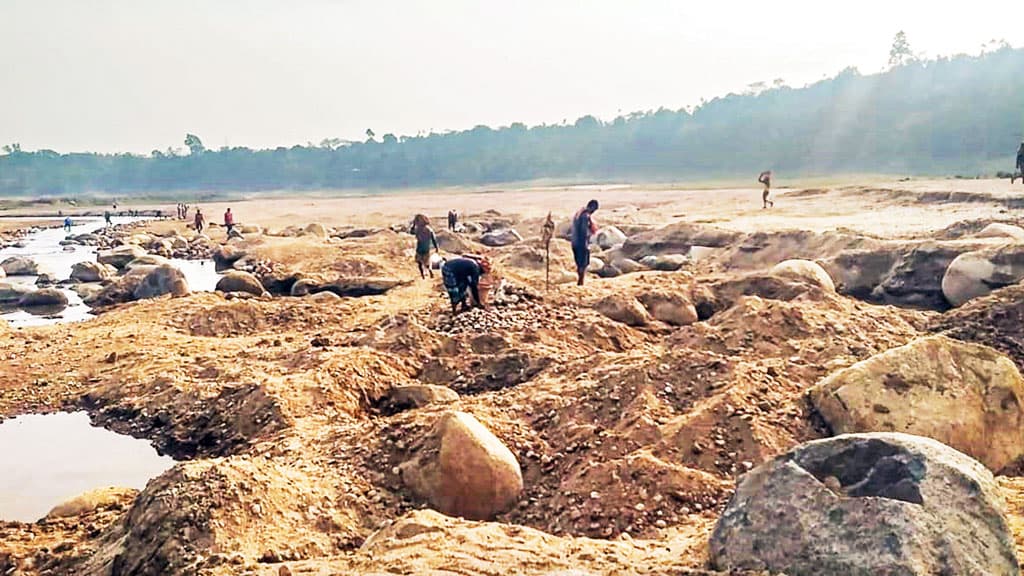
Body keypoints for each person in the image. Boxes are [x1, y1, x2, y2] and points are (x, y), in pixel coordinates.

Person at [571, 199, 599, 286]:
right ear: (593, 208)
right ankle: (581, 282)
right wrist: (586, 243)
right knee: (583, 264)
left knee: (579, 263)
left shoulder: (578, 214)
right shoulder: (585, 216)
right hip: (581, 243)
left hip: (574, 242)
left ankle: (580, 281)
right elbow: (583, 231)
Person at [410, 214, 440, 279]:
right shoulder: (429, 230)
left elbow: (411, 232)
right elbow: (434, 239)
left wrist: (413, 225)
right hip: (426, 248)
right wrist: (436, 247)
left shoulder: (418, 230)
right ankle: (430, 271)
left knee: (419, 262)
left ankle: (422, 275)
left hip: (419, 248)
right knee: (427, 262)